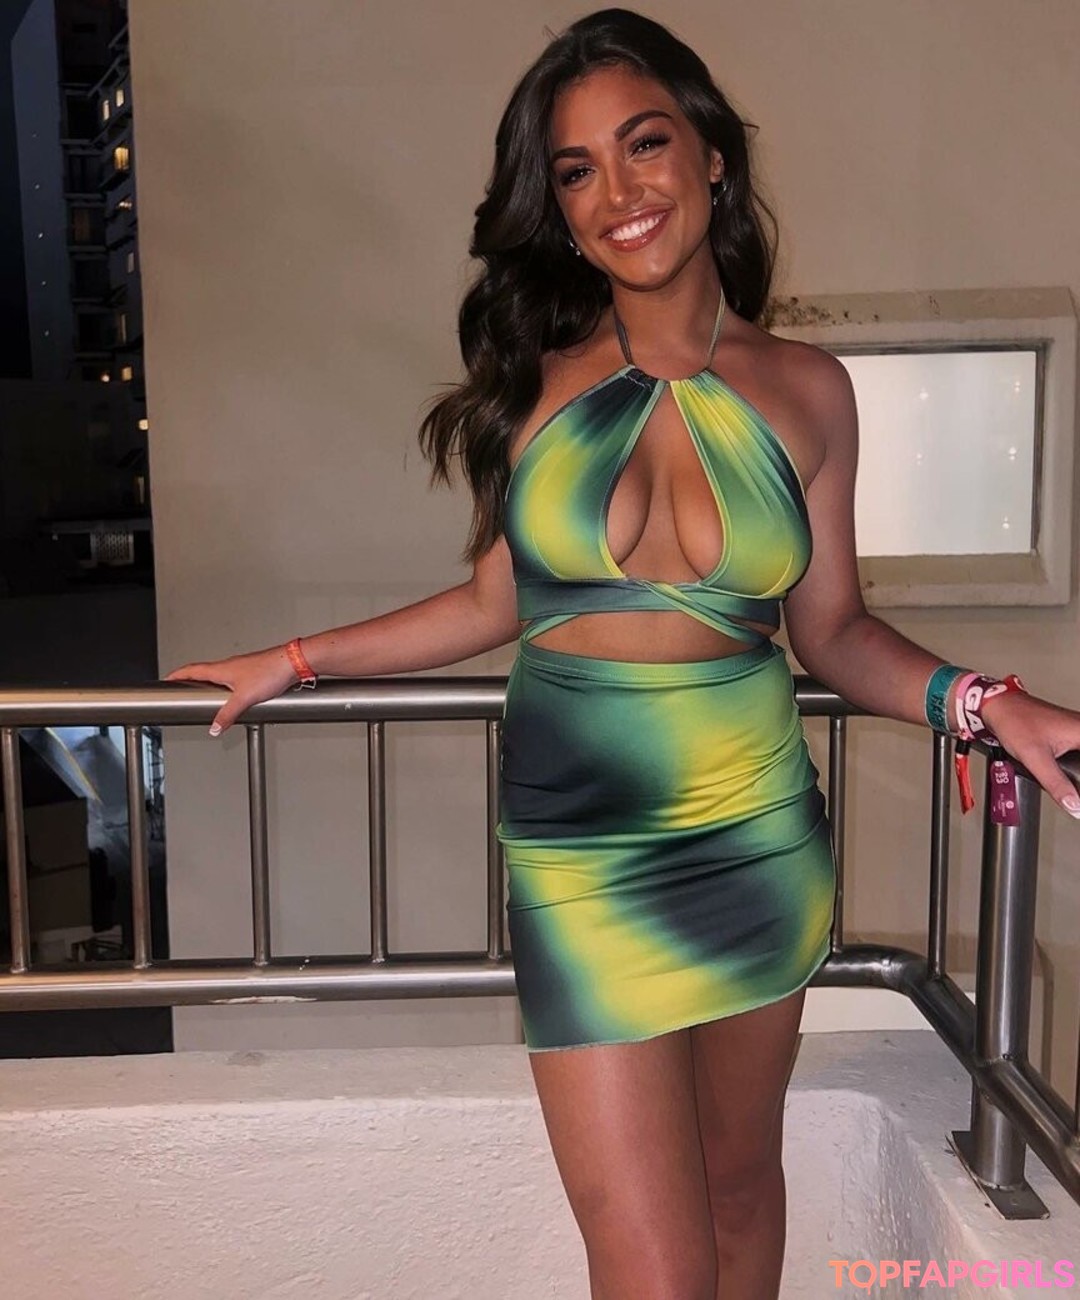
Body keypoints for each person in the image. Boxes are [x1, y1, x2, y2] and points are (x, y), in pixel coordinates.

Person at [166, 9, 1080, 1297]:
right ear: (556, 206)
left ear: (712, 156)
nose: (619, 192)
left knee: (740, 1188)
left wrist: (986, 703)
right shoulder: (533, 385)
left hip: (755, 835)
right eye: (577, 170)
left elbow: (833, 634)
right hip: (578, 859)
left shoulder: (810, 388)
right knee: (649, 1265)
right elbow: (492, 602)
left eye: (644, 144)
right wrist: (296, 659)